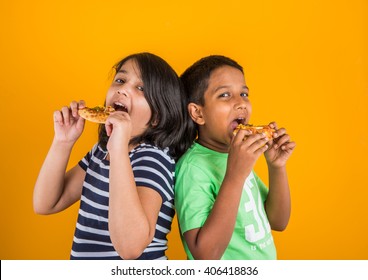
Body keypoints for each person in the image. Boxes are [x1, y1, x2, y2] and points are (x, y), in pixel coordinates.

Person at [33, 52, 192, 260]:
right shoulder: (101, 152)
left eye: (141, 88)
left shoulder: (153, 159)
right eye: (120, 80)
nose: (123, 89)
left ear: (157, 117)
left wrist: (117, 150)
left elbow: (130, 248)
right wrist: (63, 142)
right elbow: (46, 204)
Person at [175, 55, 296, 260]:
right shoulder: (193, 167)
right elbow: (205, 256)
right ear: (197, 113)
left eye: (244, 93)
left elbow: (278, 221)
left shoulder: (236, 155)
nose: (241, 103)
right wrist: (235, 175)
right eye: (224, 95)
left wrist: (276, 167)